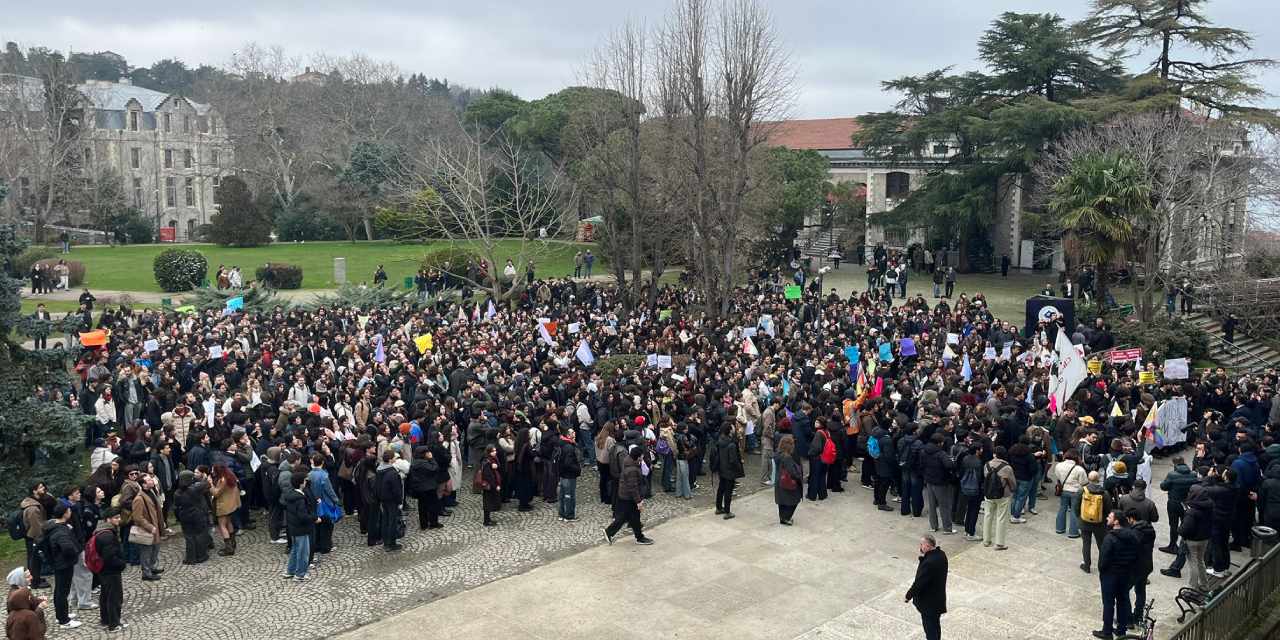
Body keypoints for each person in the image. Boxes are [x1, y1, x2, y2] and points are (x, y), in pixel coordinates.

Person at [1094, 510, 1139, 639]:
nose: (1107, 518)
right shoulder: (1133, 536)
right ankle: (1121, 630)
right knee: (1123, 601)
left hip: (1110, 575)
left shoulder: (1110, 538)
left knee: (1108, 603)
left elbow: (1103, 559)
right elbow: (1136, 555)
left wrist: (1102, 571)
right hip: (1125, 574)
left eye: (1110, 517)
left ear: (1116, 521)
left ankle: (1107, 631)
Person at [602, 446, 653, 545]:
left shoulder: (629, 462)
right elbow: (633, 487)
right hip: (628, 497)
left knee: (631, 517)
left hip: (625, 495)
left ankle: (638, 536)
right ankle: (610, 532)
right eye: (641, 456)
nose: (643, 457)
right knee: (626, 517)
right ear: (638, 457)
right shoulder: (632, 470)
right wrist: (638, 501)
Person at [904, 533, 948, 640]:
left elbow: (919, 583)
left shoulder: (929, 563)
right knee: (935, 627)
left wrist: (908, 596)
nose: (920, 547)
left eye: (921, 544)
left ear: (928, 546)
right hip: (938, 600)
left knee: (930, 629)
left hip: (928, 604)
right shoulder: (941, 555)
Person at [44, 503, 81, 629]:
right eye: (69, 511)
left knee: (60, 590)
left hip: (58, 562)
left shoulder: (53, 525)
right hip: (63, 564)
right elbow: (67, 548)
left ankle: (61, 615)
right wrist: (75, 552)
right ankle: (64, 620)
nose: (70, 512)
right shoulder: (61, 531)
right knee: (62, 592)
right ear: (65, 513)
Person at [93, 508, 126, 632]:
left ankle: (106, 620)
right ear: (108, 519)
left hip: (103, 570)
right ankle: (114, 623)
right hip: (110, 571)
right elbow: (109, 557)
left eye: (119, 517)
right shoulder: (108, 535)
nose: (119, 520)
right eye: (116, 518)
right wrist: (121, 564)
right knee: (114, 597)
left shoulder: (101, 531)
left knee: (105, 595)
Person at [1159, 456, 1198, 553]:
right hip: (1187, 503)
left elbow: (1163, 486)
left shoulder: (1172, 475)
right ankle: (1184, 545)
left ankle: (1173, 545)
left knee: (1173, 524)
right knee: (1186, 524)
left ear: (1174, 464)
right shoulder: (1193, 474)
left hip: (1174, 502)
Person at [281, 472, 316, 580]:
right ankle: (300, 574)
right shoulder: (300, 499)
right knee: (303, 552)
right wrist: (314, 518)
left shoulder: (290, 495)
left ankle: (290, 571)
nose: (306, 482)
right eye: (305, 480)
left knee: (295, 550)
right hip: (302, 529)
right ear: (301, 483)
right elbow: (303, 516)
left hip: (293, 528)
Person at [129, 474, 164, 581]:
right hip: (148, 530)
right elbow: (137, 517)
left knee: (155, 548)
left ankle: (152, 567)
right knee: (146, 552)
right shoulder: (139, 499)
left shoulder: (151, 492)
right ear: (144, 484)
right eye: (149, 480)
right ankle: (146, 573)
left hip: (156, 527)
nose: (152, 480)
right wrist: (150, 527)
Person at [1078, 470, 1114, 573]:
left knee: (1086, 544)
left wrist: (1080, 517)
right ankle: (1102, 565)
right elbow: (1108, 509)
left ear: (1088, 479)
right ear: (1098, 479)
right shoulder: (1104, 493)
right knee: (1101, 545)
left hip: (1085, 522)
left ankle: (1086, 566)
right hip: (1100, 523)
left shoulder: (1082, 491)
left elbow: (1076, 506)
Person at [173, 470, 212, 565]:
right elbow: (207, 484)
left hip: (185, 516)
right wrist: (205, 478)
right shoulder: (195, 488)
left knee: (189, 537)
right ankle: (201, 556)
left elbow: (176, 506)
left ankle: (190, 558)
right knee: (199, 535)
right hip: (198, 515)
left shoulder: (177, 493)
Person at [981, 447, 1015, 550]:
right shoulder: (1007, 467)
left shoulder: (986, 465)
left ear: (994, 454)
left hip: (989, 494)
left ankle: (986, 540)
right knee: (1001, 518)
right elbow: (1013, 483)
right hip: (1003, 495)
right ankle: (999, 543)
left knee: (988, 515)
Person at [19, 482, 50, 590]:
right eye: (40, 487)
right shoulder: (33, 508)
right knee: (34, 560)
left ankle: (35, 579)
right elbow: (36, 526)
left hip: (32, 536)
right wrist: (40, 539)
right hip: (34, 536)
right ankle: (35, 582)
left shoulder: (35, 503)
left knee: (34, 559)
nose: (44, 488)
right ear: (34, 491)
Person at [712, 424, 744, 519]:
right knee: (728, 491)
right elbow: (733, 460)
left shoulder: (720, 440)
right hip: (730, 470)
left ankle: (718, 507)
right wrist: (739, 467)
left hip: (722, 468)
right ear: (730, 430)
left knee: (721, 488)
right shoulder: (731, 444)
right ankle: (727, 511)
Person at [1053, 450, 1088, 538]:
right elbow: (1084, 482)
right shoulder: (1079, 469)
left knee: (1062, 508)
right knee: (1074, 511)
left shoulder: (1058, 465)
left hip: (1063, 490)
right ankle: (1073, 532)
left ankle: (1059, 528)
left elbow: (1057, 476)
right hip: (1076, 492)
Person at [6, 567, 47, 640]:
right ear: (20, 579)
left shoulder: (21, 591)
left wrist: (38, 600)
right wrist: (40, 609)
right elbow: (26, 618)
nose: (31, 577)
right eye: (28, 577)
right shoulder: (16, 597)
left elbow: (29, 601)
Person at [209, 463, 241, 556]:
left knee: (222, 526)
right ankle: (232, 542)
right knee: (229, 523)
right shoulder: (231, 476)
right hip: (231, 505)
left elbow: (216, 493)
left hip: (223, 506)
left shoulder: (222, 480)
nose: (212, 472)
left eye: (213, 470)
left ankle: (229, 548)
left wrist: (210, 484)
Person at [375, 450, 404, 551]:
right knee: (392, 521)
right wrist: (399, 501)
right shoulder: (392, 473)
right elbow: (396, 489)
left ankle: (386, 541)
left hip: (383, 499)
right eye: (394, 457)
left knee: (385, 520)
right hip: (392, 500)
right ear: (391, 460)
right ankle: (391, 543)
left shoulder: (379, 470)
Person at [773, 434, 803, 525]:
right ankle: (786, 518)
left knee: (781, 501)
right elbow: (792, 472)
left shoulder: (778, 454)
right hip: (787, 482)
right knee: (794, 500)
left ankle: (782, 518)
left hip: (779, 480)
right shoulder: (787, 457)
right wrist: (798, 477)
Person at [556, 427, 581, 521]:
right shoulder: (569, 447)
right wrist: (577, 469)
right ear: (568, 435)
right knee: (569, 495)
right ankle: (569, 515)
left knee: (563, 495)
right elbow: (568, 463)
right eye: (572, 432)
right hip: (569, 475)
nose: (575, 433)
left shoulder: (562, 444)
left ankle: (562, 514)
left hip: (563, 474)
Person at [479, 446, 502, 527]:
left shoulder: (492, 459)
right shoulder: (487, 462)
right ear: (489, 452)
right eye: (493, 451)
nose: (495, 452)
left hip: (491, 484)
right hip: (489, 486)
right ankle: (486, 521)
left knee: (489, 502)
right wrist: (495, 486)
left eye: (495, 450)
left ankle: (488, 519)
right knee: (487, 503)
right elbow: (488, 476)